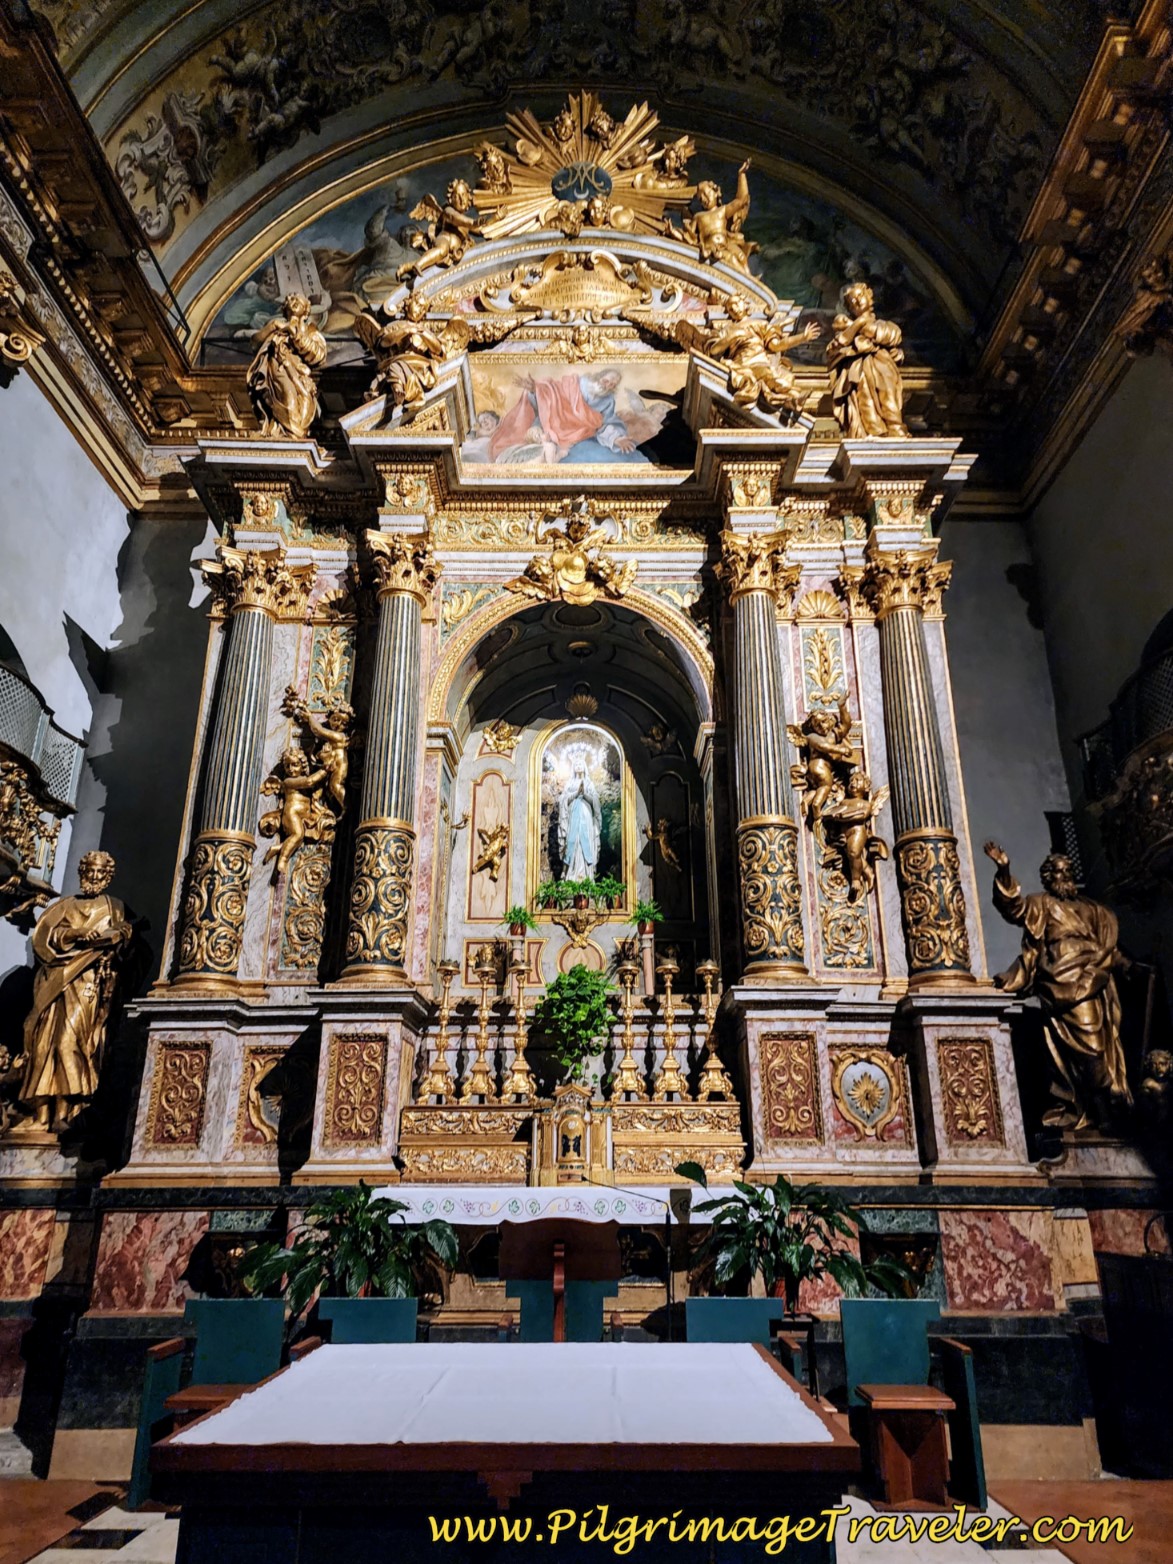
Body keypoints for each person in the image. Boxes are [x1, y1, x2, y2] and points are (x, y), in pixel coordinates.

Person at [984, 842, 1133, 1131]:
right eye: (1058, 873)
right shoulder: (1042, 904)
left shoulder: (1093, 910)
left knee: (1100, 1046)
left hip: (1094, 977)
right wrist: (1004, 870)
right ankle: (1094, 1108)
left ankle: (1102, 1110)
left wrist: (1126, 965)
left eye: (1068, 871)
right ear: (1048, 878)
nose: (1064, 877)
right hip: (1061, 981)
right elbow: (1013, 908)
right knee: (1086, 1049)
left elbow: (1108, 948)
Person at [17, 851, 134, 1134]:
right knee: (43, 1044)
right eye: (89, 872)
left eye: (99, 873)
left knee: (70, 1043)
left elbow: (124, 938)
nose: (93, 878)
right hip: (57, 978)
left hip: (88, 983)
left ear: (108, 877)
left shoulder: (114, 906)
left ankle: (66, 1110)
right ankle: (42, 1112)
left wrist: (118, 937)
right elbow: (46, 938)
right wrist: (75, 934)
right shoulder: (65, 906)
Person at [490, 368, 648, 464]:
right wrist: (535, 389)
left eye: (612, 385)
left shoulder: (607, 402)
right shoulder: (575, 383)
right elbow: (551, 393)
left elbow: (606, 423)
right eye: (606, 381)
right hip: (553, 432)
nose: (607, 386)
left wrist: (616, 438)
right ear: (599, 376)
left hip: (581, 437)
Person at [825, 281, 909, 437]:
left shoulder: (886, 325)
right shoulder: (844, 332)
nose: (857, 302)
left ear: (870, 297)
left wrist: (856, 324)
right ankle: (874, 433)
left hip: (883, 368)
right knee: (865, 402)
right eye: (852, 303)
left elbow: (891, 336)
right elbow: (835, 347)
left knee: (888, 396)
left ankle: (895, 428)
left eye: (859, 296)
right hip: (859, 373)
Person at [558, 761, 602, 881]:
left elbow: (595, 801)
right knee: (573, 841)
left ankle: (587, 875)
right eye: (576, 764)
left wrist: (585, 794)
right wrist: (576, 794)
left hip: (586, 815)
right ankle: (570, 874)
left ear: (584, 767)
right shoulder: (570, 784)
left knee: (585, 841)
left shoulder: (589, 783)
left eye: (581, 763)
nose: (578, 766)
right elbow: (563, 800)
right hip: (573, 815)